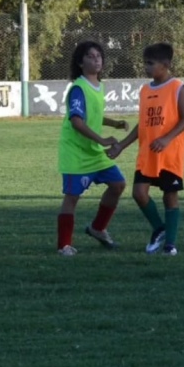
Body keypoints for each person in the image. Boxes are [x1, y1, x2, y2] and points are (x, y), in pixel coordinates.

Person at [107, 42, 184, 256]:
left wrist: (166, 139)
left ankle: (170, 244)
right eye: (145, 63)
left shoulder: (176, 86)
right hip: (147, 153)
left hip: (169, 154)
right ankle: (160, 228)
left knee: (169, 197)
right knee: (139, 193)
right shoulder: (145, 90)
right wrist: (122, 146)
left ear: (166, 64)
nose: (146, 67)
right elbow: (142, 124)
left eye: (150, 63)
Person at [56, 41, 128, 256]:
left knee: (118, 184)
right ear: (80, 62)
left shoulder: (99, 86)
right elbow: (77, 121)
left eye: (99, 55)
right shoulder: (78, 88)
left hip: (93, 151)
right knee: (72, 198)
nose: (96, 59)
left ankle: (98, 228)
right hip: (76, 153)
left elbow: (92, 115)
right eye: (90, 56)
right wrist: (103, 139)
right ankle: (64, 245)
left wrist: (113, 123)